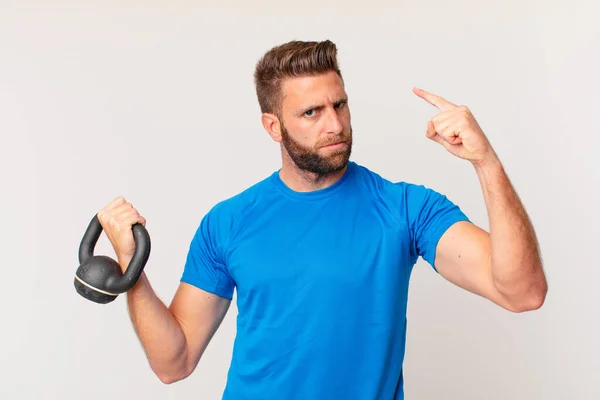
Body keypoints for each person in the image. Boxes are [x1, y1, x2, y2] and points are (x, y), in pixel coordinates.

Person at [96, 40, 548, 399]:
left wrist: (485, 162)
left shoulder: (406, 209)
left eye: (340, 105)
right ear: (273, 127)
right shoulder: (228, 223)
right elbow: (173, 364)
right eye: (311, 112)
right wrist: (132, 269)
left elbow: (522, 291)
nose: (334, 124)